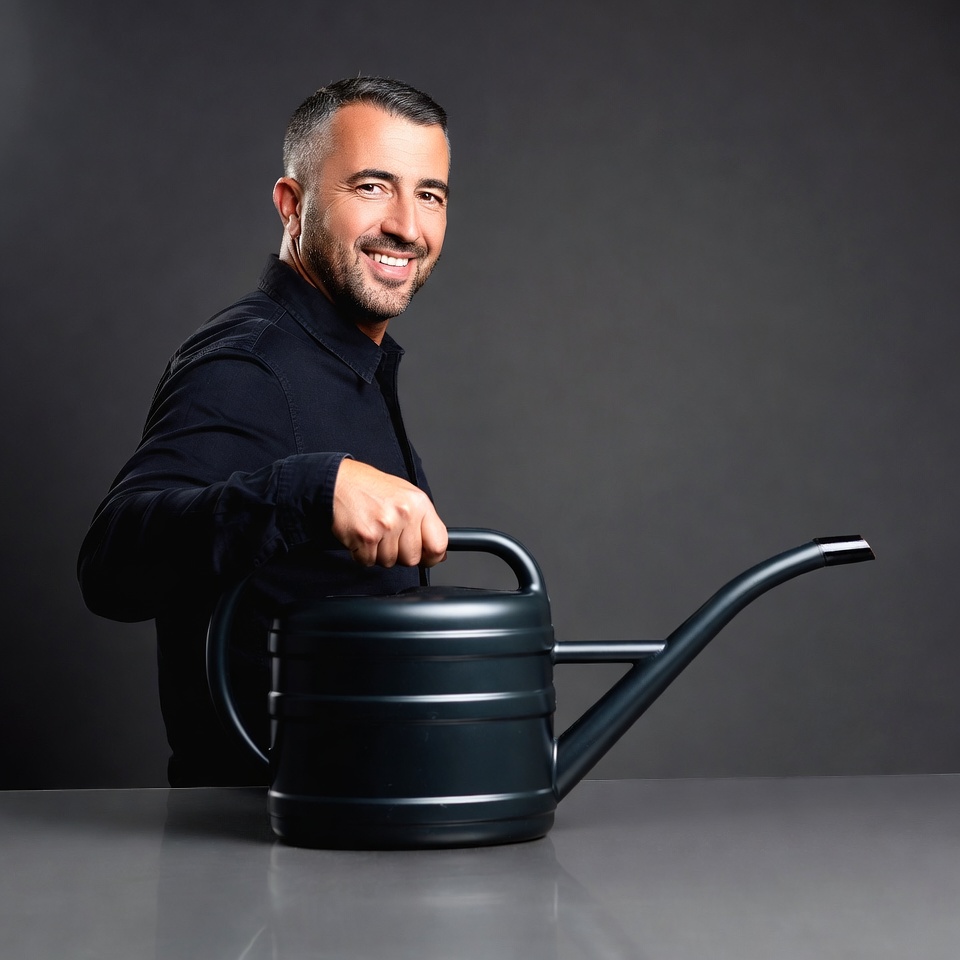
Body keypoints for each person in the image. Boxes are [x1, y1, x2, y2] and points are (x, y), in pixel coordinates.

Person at [77, 77, 451, 786]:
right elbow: (111, 564)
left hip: (353, 838)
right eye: (373, 187)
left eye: (429, 194)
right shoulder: (250, 364)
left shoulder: (350, 363)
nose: (408, 224)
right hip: (255, 858)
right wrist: (312, 490)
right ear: (292, 204)